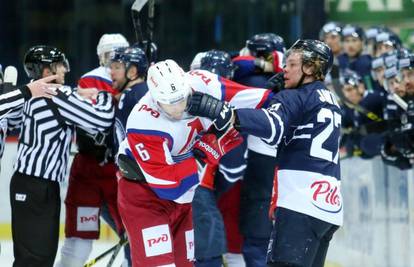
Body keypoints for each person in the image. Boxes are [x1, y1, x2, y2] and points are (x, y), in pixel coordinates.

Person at [187, 39, 343, 267]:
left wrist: (228, 113)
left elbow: (273, 125)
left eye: (291, 65)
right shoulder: (331, 99)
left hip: (299, 204)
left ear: (309, 68)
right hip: (329, 208)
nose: (284, 70)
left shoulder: (295, 96)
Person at [116, 59, 273, 266]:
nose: (178, 108)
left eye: (182, 99)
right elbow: (171, 188)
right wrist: (208, 148)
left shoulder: (203, 83)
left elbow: (264, 100)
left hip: (184, 199)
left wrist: (228, 113)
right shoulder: (143, 123)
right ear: (154, 98)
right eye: (169, 103)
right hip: (145, 197)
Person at [10, 45, 114, 267]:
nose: (65, 70)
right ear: (47, 71)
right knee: (35, 259)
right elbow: (101, 121)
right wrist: (106, 94)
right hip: (36, 187)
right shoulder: (54, 94)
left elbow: (64, 101)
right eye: (60, 65)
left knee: (38, 257)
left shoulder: (37, 92)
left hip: (33, 186)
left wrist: (77, 93)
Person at [55, 33, 131, 267]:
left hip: (121, 173)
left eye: (119, 55)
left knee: (135, 237)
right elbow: (97, 119)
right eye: (109, 55)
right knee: (79, 240)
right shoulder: (90, 80)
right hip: (89, 171)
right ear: (100, 57)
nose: (113, 61)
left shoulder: (137, 82)